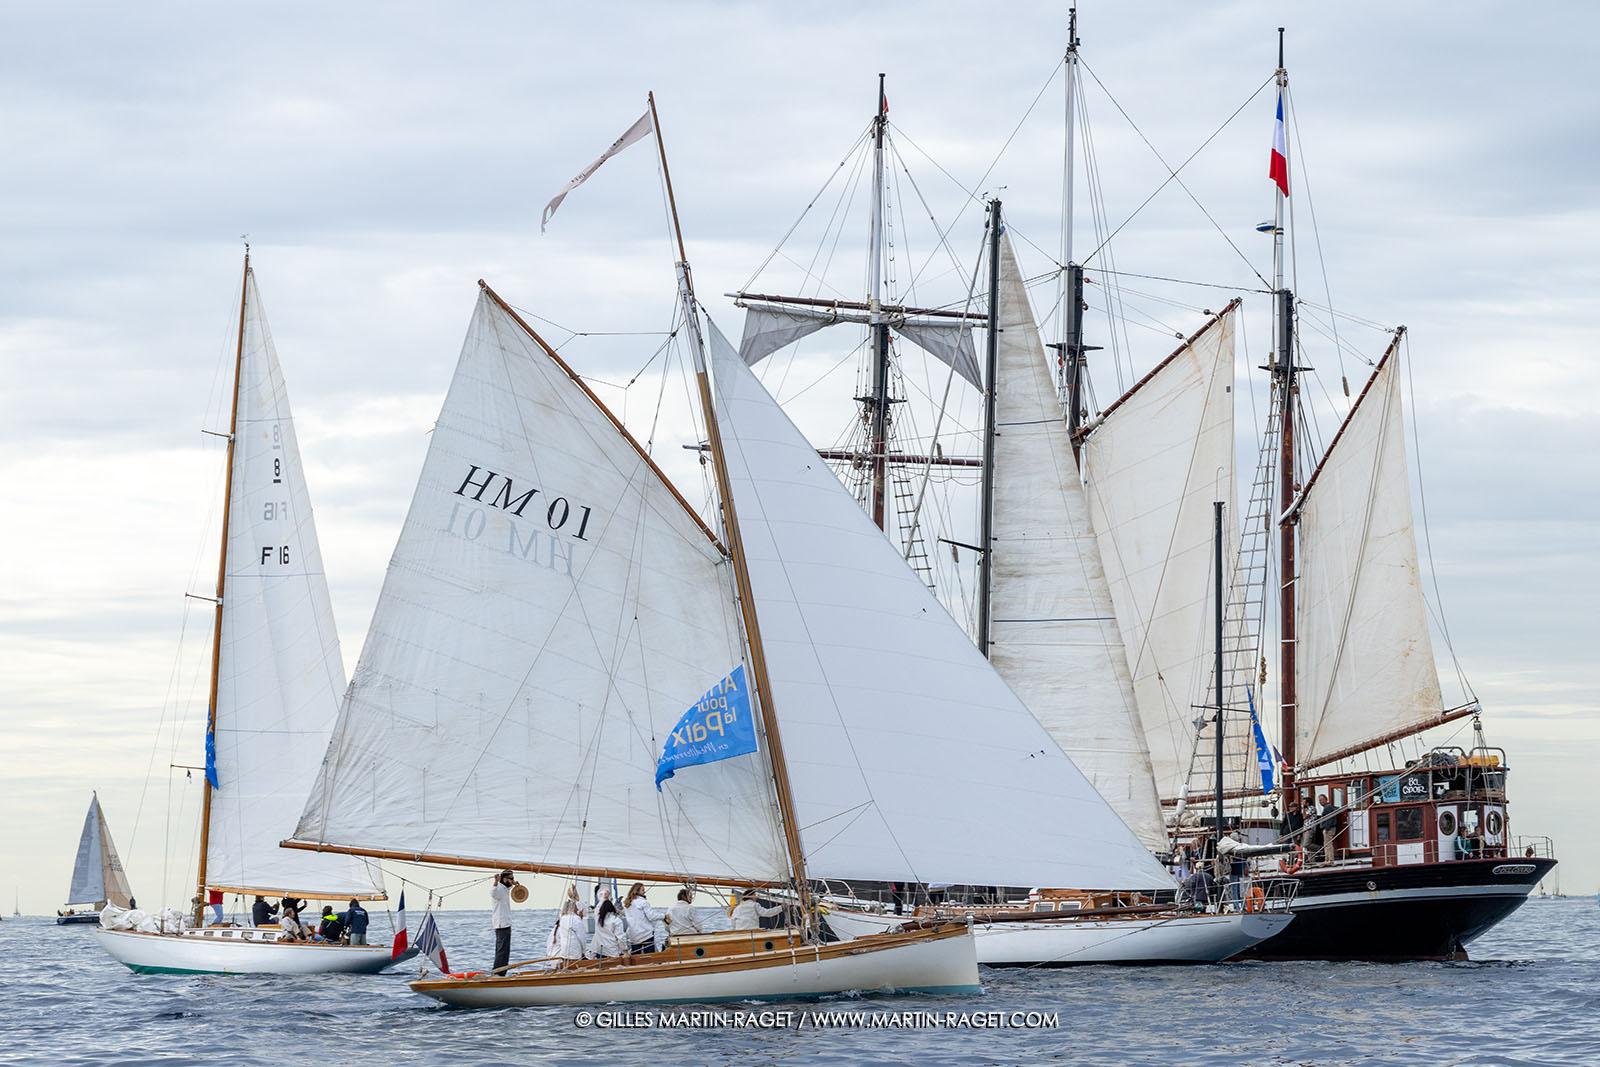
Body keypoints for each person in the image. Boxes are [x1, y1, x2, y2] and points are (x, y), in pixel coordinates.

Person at [623, 883, 663, 955]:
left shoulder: (627, 904)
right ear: (637, 891)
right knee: (649, 956)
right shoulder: (643, 902)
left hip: (633, 935)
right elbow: (651, 916)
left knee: (635, 955)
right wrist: (663, 916)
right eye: (643, 890)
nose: (644, 891)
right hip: (646, 934)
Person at [490, 869, 515, 973]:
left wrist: (514, 885)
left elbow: (507, 888)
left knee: (504, 951)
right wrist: (495, 882)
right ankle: (498, 973)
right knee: (502, 951)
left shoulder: (504, 889)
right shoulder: (499, 889)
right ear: (505, 879)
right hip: (502, 924)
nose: (513, 880)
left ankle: (500, 973)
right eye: (512, 878)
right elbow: (493, 892)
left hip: (505, 924)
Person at [1318, 795, 1338, 862]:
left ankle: (1330, 859)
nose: (1320, 802)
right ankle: (1327, 859)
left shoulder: (1328, 807)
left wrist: (1326, 828)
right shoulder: (1327, 807)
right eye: (1319, 800)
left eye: (1322, 800)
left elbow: (1330, 818)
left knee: (1328, 844)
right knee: (1326, 844)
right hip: (1328, 828)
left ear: (1326, 800)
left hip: (1329, 829)